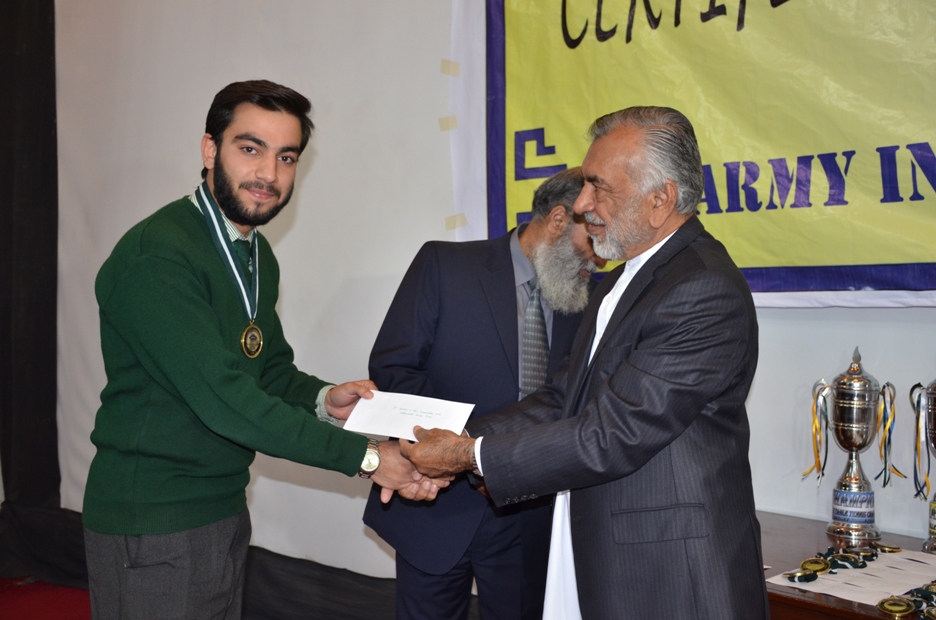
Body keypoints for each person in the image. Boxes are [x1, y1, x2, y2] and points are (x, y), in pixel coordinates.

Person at [82, 80, 444, 620]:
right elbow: (227, 400)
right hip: (154, 520)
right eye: (250, 148)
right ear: (210, 149)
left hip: (222, 507)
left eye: (286, 157)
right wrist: (367, 459)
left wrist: (324, 400)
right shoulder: (159, 256)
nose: (269, 174)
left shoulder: (253, 252)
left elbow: (266, 370)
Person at [400, 106, 770, 619]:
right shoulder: (625, 280)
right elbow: (563, 399)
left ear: (660, 200)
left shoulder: (700, 288)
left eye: (599, 187)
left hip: (668, 577)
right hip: (604, 557)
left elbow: (612, 435)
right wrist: (458, 440)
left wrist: (467, 456)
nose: (582, 204)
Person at [363, 167, 605, 620]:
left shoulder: (594, 299)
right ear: (558, 220)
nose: (601, 257)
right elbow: (394, 367)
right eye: (592, 235)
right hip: (437, 501)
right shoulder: (446, 265)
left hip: (529, 516)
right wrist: (457, 454)